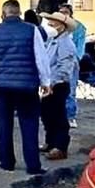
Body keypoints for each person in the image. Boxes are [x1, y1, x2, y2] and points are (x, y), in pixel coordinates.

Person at [0, 0, 52, 175]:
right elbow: (40, 58)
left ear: (4, 14)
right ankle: (33, 165)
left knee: (4, 124)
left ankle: (6, 162)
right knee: (29, 124)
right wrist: (45, 82)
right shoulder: (32, 30)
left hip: (4, 86)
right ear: (19, 13)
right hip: (27, 86)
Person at [39, 11, 79, 160]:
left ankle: (60, 146)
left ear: (62, 26)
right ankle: (50, 142)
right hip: (49, 83)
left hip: (58, 84)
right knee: (47, 114)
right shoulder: (52, 40)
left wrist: (52, 82)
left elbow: (64, 67)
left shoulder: (65, 43)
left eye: (53, 23)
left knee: (58, 115)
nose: (50, 25)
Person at [58, 4, 85, 129]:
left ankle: (70, 116)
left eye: (65, 12)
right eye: (61, 12)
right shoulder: (56, 26)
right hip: (57, 62)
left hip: (72, 62)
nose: (63, 14)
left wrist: (76, 59)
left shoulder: (78, 27)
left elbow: (80, 47)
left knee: (71, 90)